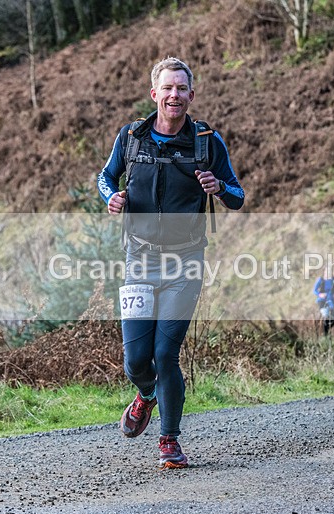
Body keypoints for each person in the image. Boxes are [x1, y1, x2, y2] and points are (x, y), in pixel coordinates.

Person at [97, 57, 244, 468]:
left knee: (165, 354)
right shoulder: (131, 137)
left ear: (191, 95)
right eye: (167, 88)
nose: (174, 95)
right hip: (138, 260)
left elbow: (237, 195)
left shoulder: (207, 142)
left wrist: (218, 186)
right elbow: (106, 177)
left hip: (186, 263)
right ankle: (146, 395)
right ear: (154, 94)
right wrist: (111, 197)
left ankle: (169, 439)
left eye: (181, 88)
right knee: (135, 362)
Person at [312, 267, 334, 335]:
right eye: (327, 271)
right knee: (325, 315)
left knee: (333, 318)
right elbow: (314, 290)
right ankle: (325, 333)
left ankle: (328, 331)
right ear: (324, 272)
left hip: (332, 301)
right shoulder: (320, 280)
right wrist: (320, 294)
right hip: (322, 301)